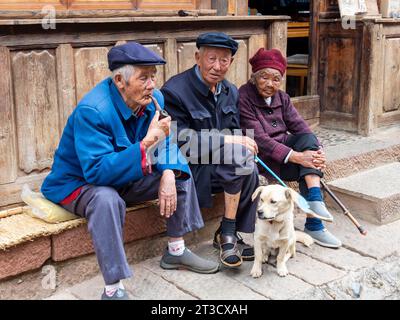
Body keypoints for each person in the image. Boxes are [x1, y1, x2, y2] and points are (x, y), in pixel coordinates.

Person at [41, 42, 219, 300]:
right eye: (144, 78)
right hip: (79, 183)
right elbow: (97, 172)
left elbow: (166, 141)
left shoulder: (154, 100)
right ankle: (113, 288)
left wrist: (168, 171)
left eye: (153, 77)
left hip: (126, 173)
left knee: (179, 173)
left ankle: (176, 250)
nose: (152, 85)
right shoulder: (93, 111)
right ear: (119, 80)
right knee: (106, 199)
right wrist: (146, 144)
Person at [161, 32, 260, 268]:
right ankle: (227, 233)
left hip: (222, 165)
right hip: (192, 167)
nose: (217, 66)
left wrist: (244, 142)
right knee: (239, 158)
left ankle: (228, 232)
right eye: (211, 58)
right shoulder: (175, 91)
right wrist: (228, 142)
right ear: (197, 57)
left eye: (224, 60)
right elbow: (180, 141)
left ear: (231, 62)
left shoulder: (230, 91)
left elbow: (235, 131)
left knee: (249, 165)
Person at [238, 48, 342, 248]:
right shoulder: (244, 96)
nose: (270, 84)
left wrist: (318, 151)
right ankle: (315, 217)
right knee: (305, 162)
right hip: (265, 159)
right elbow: (260, 139)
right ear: (254, 77)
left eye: (276, 79)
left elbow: (301, 127)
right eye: (264, 77)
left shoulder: (282, 98)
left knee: (308, 140)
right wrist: (296, 156)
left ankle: (314, 211)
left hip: (286, 156)